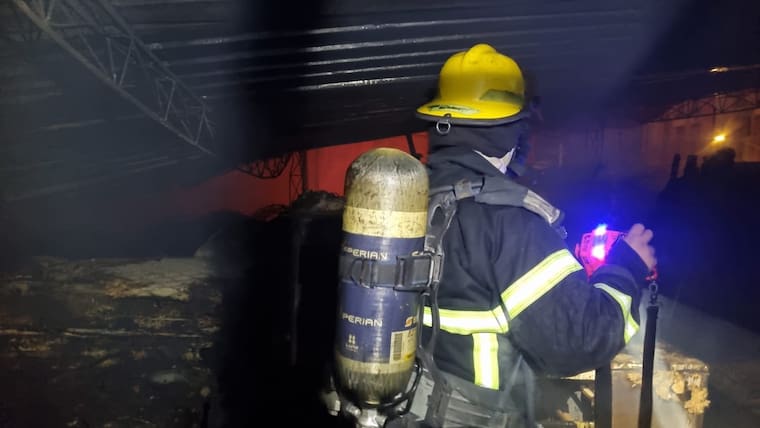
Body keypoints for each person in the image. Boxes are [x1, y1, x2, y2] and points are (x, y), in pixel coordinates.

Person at [402, 43, 658, 428]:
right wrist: (628, 267)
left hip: (412, 410)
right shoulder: (508, 219)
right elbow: (577, 341)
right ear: (508, 131)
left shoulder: (414, 197)